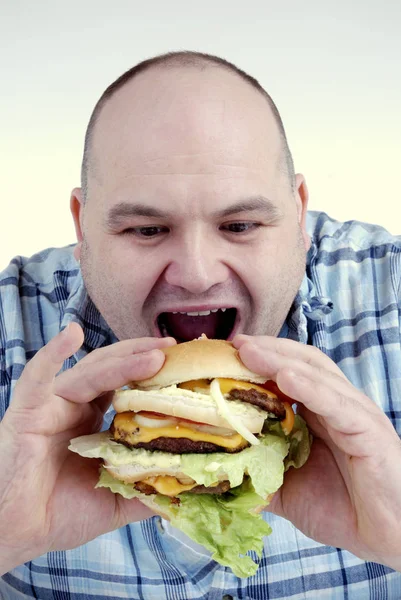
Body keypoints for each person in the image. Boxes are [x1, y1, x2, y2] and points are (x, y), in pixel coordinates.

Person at [0, 50, 400, 600]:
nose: (196, 274)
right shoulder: (9, 320)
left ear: (299, 212)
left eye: (239, 224)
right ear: (83, 224)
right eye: (145, 229)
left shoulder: (392, 291)